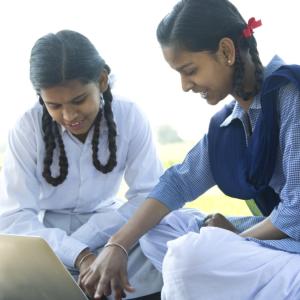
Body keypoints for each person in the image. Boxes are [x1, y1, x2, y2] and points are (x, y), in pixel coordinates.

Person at [78, 0, 300, 299]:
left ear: (226, 51)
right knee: (159, 231)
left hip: (293, 249)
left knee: (188, 258)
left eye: (190, 70)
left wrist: (233, 241)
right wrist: (116, 244)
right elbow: (177, 182)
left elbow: (296, 212)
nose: (185, 85)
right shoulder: (230, 122)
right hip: (272, 252)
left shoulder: (291, 94)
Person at [0, 30, 163, 299]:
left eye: (78, 101)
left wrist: (109, 246)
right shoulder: (27, 127)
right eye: (54, 105)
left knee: (166, 247)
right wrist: (78, 254)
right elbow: (14, 217)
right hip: (46, 241)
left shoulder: (129, 115)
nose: (69, 115)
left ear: (101, 81)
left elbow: (148, 197)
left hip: (113, 232)